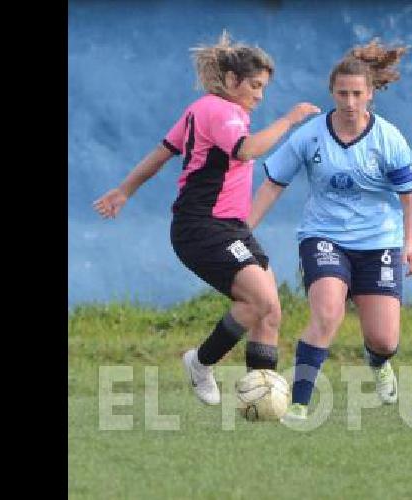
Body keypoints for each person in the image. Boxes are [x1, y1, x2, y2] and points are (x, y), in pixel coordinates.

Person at [92, 31, 320, 405]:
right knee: (259, 300)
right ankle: (200, 363)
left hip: (228, 227)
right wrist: (290, 119)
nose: (259, 96)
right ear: (232, 81)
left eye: (264, 88)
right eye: (255, 86)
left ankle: (258, 401)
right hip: (202, 226)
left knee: (270, 311)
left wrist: (125, 190)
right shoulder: (220, 110)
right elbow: (246, 152)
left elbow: (161, 153)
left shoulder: (205, 110)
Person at [247, 40, 412, 421]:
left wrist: (409, 245)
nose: (349, 101)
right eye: (342, 93)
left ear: (370, 94)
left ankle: (378, 361)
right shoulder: (310, 136)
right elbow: (273, 184)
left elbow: (411, 199)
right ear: (332, 92)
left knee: (385, 339)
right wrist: (244, 231)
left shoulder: (388, 139)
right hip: (323, 237)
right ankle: (298, 403)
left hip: (379, 243)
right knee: (326, 315)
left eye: (357, 93)